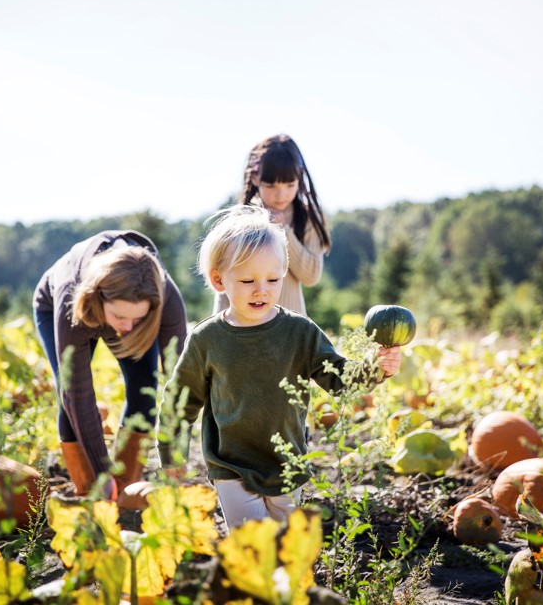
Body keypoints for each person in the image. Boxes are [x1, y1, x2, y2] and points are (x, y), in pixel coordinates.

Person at [158, 205, 400, 529]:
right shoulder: (208, 339)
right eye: (247, 280)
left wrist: (375, 367)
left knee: (287, 550)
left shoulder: (299, 332)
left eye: (273, 279)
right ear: (219, 280)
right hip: (231, 465)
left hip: (288, 464)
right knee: (254, 548)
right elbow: (180, 399)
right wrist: (171, 449)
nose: (262, 289)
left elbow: (337, 375)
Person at [33, 230, 187, 504]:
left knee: (144, 389)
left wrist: (174, 448)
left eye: (137, 319)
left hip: (124, 311)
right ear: (100, 298)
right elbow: (76, 393)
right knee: (68, 401)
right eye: (120, 316)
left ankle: (125, 486)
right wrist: (101, 473)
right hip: (62, 307)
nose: (127, 328)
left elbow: (182, 380)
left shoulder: (165, 299)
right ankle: (91, 491)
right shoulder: (72, 296)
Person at [213, 134, 331, 316]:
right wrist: (217, 325)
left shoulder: (308, 217)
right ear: (254, 178)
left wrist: (283, 229)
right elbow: (225, 279)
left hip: (290, 327)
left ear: (299, 178)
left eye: (289, 185)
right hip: (242, 328)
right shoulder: (241, 218)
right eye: (271, 186)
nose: (280, 194)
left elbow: (311, 276)